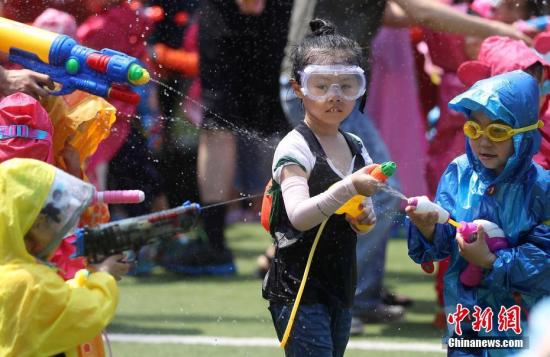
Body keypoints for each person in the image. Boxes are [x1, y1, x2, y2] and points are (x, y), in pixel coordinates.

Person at [263, 19, 387, 356]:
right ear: (298, 88)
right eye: (321, 86)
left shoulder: (357, 146)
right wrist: (348, 188)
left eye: (348, 86)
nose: (335, 96)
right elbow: (300, 217)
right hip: (298, 290)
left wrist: (363, 216)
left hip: (340, 286)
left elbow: (364, 222)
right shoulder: (294, 148)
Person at [406, 70, 550, 356]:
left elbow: (545, 260)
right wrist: (427, 228)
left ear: (524, 134)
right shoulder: (459, 173)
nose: (483, 141)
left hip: (520, 321)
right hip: (466, 315)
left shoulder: (541, 188)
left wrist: (492, 261)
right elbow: (444, 240)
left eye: (497, 131)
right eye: (474, 129)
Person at [0, 157, 130, 357]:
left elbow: (50, 303)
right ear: (32, 225)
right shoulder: (29, 283)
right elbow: (86, 313)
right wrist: (103, 274)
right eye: (51, 218)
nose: (58, 228)